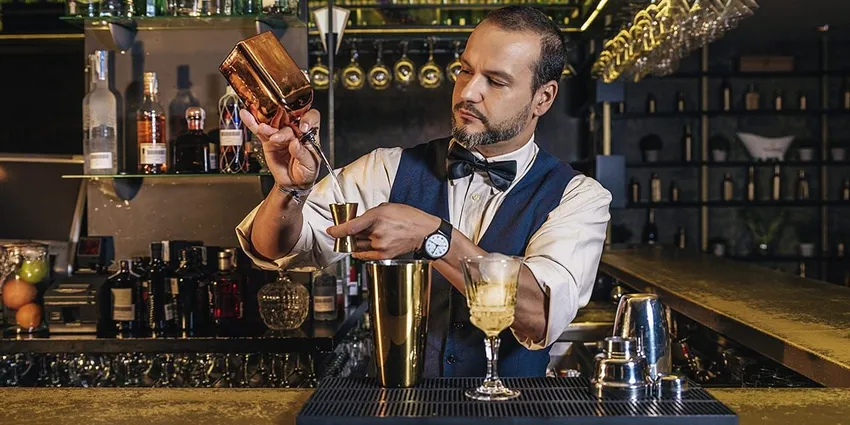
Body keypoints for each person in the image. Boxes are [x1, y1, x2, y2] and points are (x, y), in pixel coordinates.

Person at [236, 5, 612, 378]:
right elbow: (277, 249)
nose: (469, 92)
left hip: (510, 413)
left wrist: (435, 237)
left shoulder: (577, 197)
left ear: (543, 98)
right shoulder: (387, 169)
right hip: (400, 408)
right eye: (465, 71)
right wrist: (290, 190)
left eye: (495, 81)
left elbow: (539, 315)